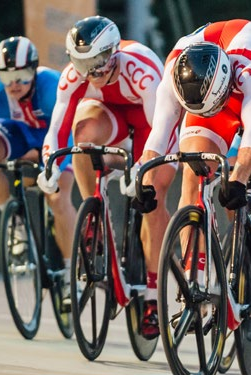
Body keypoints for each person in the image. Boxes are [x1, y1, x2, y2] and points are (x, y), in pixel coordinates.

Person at [135, 20, 251, 318]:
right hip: (206, 99)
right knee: (192, 174)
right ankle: (194, 278)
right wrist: (144, 183)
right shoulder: (175, 74)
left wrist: (238, 178)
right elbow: (158, 136)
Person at [36, 16, 169, 338]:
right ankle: (94, 211)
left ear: (113, 52)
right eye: (82, 62)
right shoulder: (74, 76)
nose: (91, 71)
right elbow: (58, 128)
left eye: (97, 61)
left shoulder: (141, 70)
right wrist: (49, 166)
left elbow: (158, 130)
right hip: (113, 116)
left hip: (153, 122)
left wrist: (141, 169)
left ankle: (153, 297)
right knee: (83, 135)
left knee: (152, 198)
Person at [0, 37, 77, 301]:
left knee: (59, 198)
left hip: (55, 135)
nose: (15, 84)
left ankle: (73, 274)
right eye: (7, 77)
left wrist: (53, 168)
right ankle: (13, 217)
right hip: (20, 133)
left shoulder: (51, 86)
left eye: (23, 76)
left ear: (35, 70)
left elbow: (67, 132)